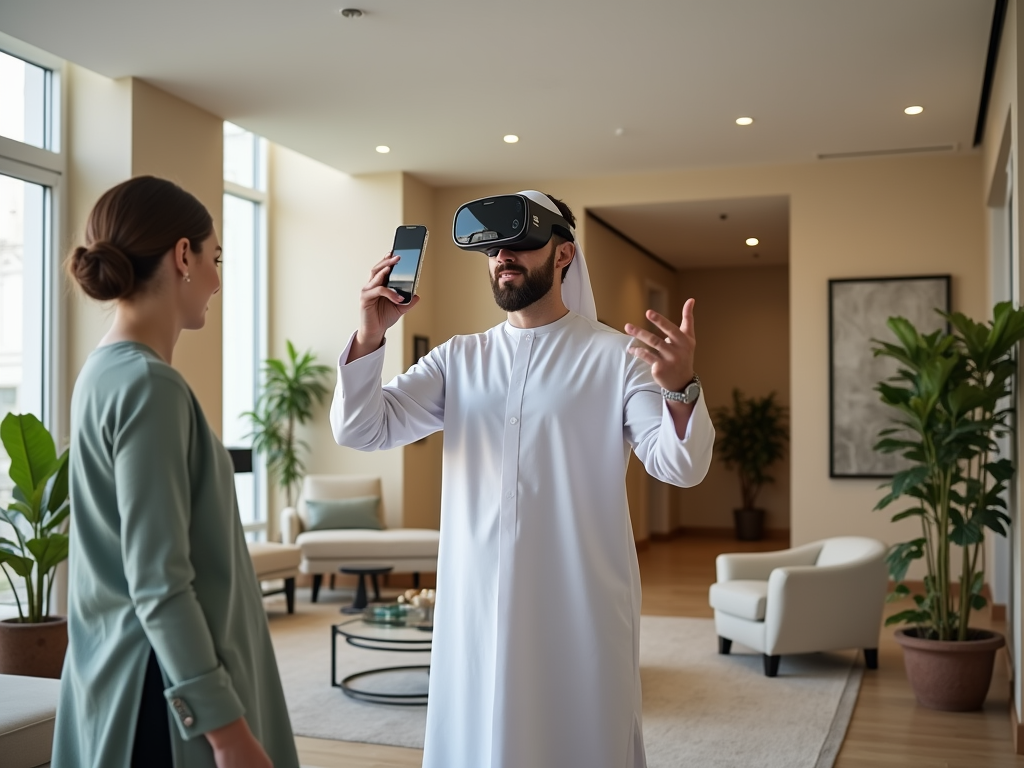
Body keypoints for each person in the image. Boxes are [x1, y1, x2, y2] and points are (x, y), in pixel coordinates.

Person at [331, 190, 715, 768]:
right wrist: (369, 336)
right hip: (474, 602)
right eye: (493, 248)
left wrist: (680, 390)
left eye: (521, 244)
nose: (503, 257)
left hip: (578, 603)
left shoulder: (618, 357)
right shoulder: (458, 358)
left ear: (563, 256)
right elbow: (362, 429)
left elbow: (679, 465)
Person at [53, 176, 299, 768]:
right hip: (160, 699)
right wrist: (228, 732)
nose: (217, 278)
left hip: (120, 675)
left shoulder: (102, 373)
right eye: (216, 258)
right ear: (183, 255)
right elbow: (159, 582)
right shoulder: (147, 385)